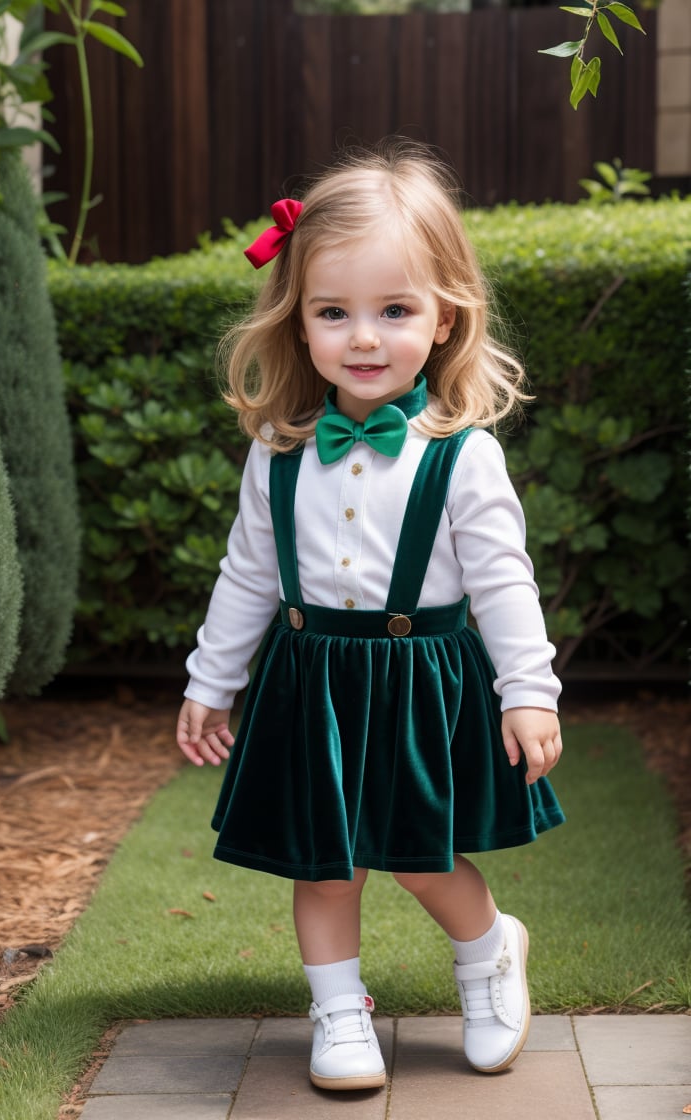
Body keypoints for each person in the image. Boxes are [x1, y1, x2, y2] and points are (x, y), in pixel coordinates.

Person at [176, 138, 564, 1093]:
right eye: (333, 312)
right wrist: (210, 681)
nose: (363, 337)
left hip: (422, 679)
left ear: (442, 319)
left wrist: (530, 693)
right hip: (313, 683)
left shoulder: (462, 457)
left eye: (394, 311)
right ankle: (338, 1014)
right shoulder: (276, 454)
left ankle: (489, 962)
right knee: (325, 863)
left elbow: (506, 582)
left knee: (425, 859)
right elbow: (249, 575)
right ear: (297, 320)